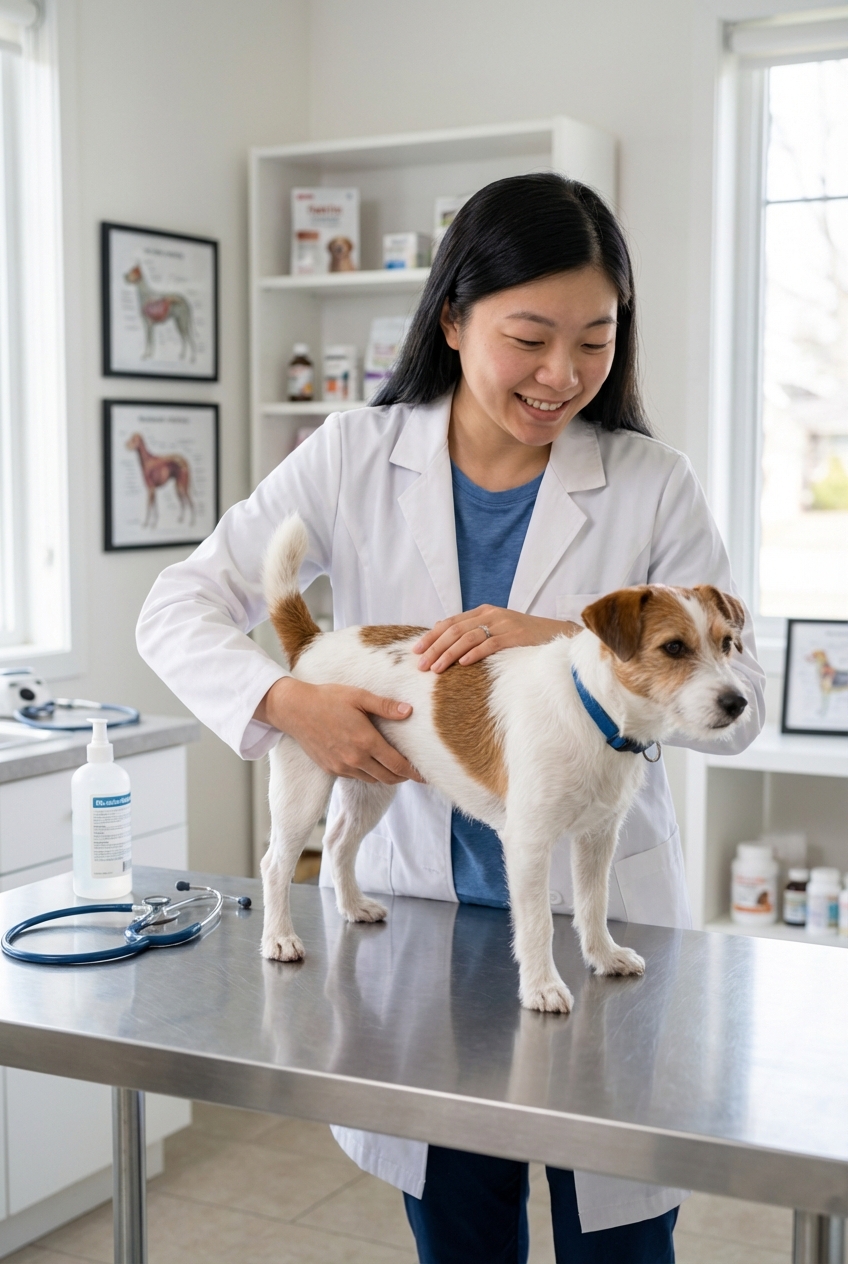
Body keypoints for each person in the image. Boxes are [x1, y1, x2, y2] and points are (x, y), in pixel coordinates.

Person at [137, 173, 765, 1263]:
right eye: (528, 336)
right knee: (463, 1241)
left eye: (594, 339)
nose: (560, 374)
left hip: (601, 915)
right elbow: (176, 603)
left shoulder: (651, 481)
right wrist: (287, 700)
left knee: (621, 1241)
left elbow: (735, 713)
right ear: (451, 319)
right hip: (424, 923)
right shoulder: (351, 453)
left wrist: (559, 639)